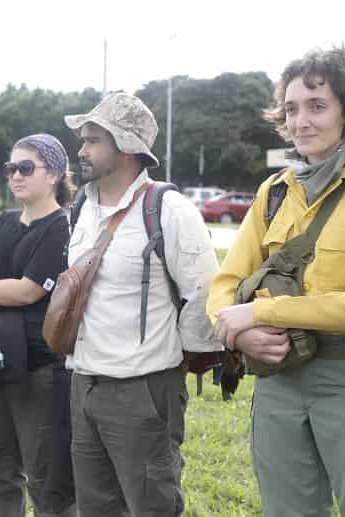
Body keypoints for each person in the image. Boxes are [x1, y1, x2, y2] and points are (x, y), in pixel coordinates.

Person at [207, 47, 345, 516]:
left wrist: (260, 312)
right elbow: (226, 283)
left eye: (317, 106)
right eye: (291, 109)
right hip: (280, 381)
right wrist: (239, 331)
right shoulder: (273, 193)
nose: (302, 121)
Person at [62, 93, 221, 516]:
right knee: (95, 507)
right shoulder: (81, 207)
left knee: (152, 506)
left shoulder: (169, 210)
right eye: (83, 139)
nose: (81, 150)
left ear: (127, 148)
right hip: (84, 384)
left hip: (143, 391)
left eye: (93, 139)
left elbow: (204, 293)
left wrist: (173, 361)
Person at [0, 134, 76, 517]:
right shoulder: (3, 223)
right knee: (0, 467)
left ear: (55, 174)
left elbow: (27, 290)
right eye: (11, 168)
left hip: (38, 366)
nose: (16, 176)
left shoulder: (62, 227)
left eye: (26, 168)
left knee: (44, 474)